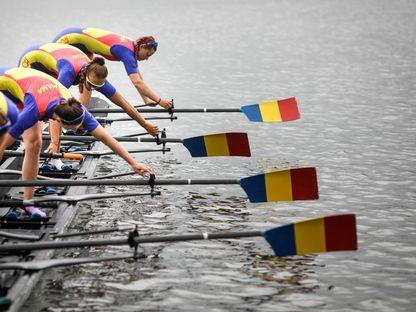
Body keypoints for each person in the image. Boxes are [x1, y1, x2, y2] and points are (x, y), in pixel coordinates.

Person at [0, 67, 153, 218]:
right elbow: (3, 145)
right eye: (75, 128)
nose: (80, 128)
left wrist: (133, 163)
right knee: (10, 140)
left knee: (35, 143)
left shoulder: (77, 109)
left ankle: (29, 203)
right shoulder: (33, 111)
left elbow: (106, 138)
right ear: (58, 120)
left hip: (30, 88)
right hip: (5, 86)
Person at [19, 43, 159, 169]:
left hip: (58, 58)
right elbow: (56, 109)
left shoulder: (95, 74)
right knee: (36, 126)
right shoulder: (68, 73)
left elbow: (124, 103)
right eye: (91, 84)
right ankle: (45, 153)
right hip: (32, 62)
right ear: (85, 74)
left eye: (97, 86)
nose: (92, 88)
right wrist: (54, 142)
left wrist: (145, 124)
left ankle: (53, 156)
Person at [53, 27, 172, 108]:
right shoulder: (127, 52)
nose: (146, 58)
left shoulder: (132, 47)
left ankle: (79, 117)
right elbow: (137, 83)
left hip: (82, 45)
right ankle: (53, 109)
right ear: (142, 47)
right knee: (58, 79)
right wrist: (160, 101)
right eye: (147, 55)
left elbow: (139, 79)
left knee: (88, 81)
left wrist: (146, 100)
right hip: (67, 40)